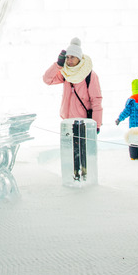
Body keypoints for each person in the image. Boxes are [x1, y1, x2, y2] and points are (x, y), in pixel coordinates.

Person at [43, 37, 103, 180]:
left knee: (82, 152)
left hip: (83, 122)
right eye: (68, 57)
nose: (69, 60)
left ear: (79, 58)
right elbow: (47, 79)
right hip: (68, 121)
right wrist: (58, 65)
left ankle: (84, 176)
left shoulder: (89, 75)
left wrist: (96, 124)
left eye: (73, 57)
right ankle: (74, 175)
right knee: (71, 152)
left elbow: (96, 100)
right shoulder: (65, 73)